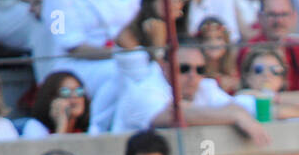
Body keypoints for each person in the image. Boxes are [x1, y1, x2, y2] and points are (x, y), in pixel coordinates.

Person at [111, 41, 275, 139]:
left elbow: (237, 107)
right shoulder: (144, 90)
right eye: (184, 69)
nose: (193, 76)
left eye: (199, 69)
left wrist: (235, 113)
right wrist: (234, 115)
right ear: (164, 66)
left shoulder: (204, 85)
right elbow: (170, 117)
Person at [35, 0, 140, 93]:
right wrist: (120, 53)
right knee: (121, 72)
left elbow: (135, 18)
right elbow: (71, 46)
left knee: (149, 69)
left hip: (123, 54)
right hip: (78, 63)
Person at [238, 0, 299, 101]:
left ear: (293, 16)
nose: (279, 21)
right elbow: (244, 95)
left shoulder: (298, 47)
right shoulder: (247, 50)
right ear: (260, 17)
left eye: (284, 14)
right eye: (272, 15)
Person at [237, 45, 299, 117]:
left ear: (283, 79)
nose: (267, 75)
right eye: (259, 69)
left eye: (275, 70)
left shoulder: (281, 98)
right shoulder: (243, 97)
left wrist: (272, 97)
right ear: (247, 77)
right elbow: (275, 113)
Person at [21, 71, 93, 138]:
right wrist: (62, 125)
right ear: (51, 99)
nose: (74, 96)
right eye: (66, 92)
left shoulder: (91, 128)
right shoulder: (35, 127)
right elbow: (53, 151)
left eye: (79, 91)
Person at [197, 14, 243, 94]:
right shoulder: (196, 71)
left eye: (219, 38)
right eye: (208, 39)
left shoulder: (234, 70)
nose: (213, 43)